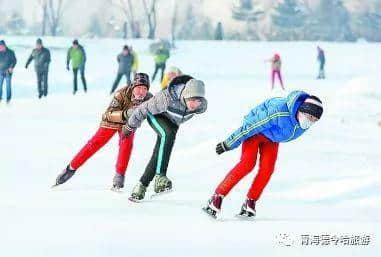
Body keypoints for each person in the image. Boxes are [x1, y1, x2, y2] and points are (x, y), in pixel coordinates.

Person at [203, 91, 323, 219]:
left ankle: (250, 202)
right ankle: (216, 197)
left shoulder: (303, 125)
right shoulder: (280, 111)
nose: (310, 122)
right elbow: (251, 126)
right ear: (301, 110)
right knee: (247, 164)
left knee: (267, 169)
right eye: (309, 117)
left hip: (272, 139)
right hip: (255, 132)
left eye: (314, 120)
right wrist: (229, 143)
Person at [53, 73, 152, 190]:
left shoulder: (149, 98)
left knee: (126, 144)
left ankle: (119, 176)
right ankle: (70, 168)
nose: (141, 92)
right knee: (95, 143)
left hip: (128, 124)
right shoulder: (121, 94)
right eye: (139, 88)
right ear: (133, 87)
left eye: (145, 88)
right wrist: (126, 113)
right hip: (112, 120)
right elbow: (108, 115)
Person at [122, 75, 207, 201]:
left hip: (173, 123)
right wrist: (129, 126)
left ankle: (140, 186)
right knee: (166, 135)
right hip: (156, 116)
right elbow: (142, 109)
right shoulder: (166, 98)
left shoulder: (199, 107)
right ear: (185, 95)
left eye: (198, 100)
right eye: (191, 100)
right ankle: (160, 177)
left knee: (161, 151)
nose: (194, 104)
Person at [0, 40, 17, 104]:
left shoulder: (10, 52)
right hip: (0, 71)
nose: (0, 48)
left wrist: (11, 67)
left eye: (1, 46)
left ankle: (8, 99)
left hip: (8, 71)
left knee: (8, 85)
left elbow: (14, 61)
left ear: (4, 45)